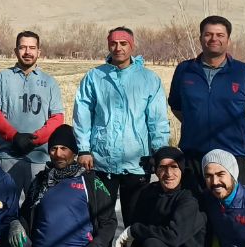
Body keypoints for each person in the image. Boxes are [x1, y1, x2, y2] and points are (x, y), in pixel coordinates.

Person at [9, 124, 117, 247]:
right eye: (53, 148)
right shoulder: (41, 181)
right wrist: (17, 224)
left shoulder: (90, 182)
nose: (58, 154)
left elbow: (109, 222)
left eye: (64, 149)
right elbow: (25, 214)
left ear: (74, 152)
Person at [73, 26, 172, 222]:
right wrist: (84, 149)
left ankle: (132, 244)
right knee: (99, 219)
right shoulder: (94, 77)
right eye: (113, 43)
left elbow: (157, 120)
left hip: (138, 161)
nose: (118, 48)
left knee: (136, 218)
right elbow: (82, 114)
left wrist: (159, 152)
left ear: (132, 46)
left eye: (123, 43)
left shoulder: (148, 79)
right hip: (101, 160)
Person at [167, 15, 245, 191]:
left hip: (232, 155)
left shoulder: (244, 73)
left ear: (228, 40)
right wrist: (194, 123)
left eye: (220, 35)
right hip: (193, 156)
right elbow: (176, 105)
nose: (214, 39)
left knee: (230, 208)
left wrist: (240, 130)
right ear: (200, 38)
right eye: (208, 34)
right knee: (192, 207)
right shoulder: (184, 70)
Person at [0, 31, 65, 195]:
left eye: (32, 48)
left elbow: (57, 118)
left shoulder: (50, 82)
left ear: (39, 52)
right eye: (23, 47)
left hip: (39, 159)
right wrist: (14, 137)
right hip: (7, 156)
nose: (27, 52)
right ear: (16, 51)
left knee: (37, 206)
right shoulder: (1, 78)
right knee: (4, 205)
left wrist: (36, 139)